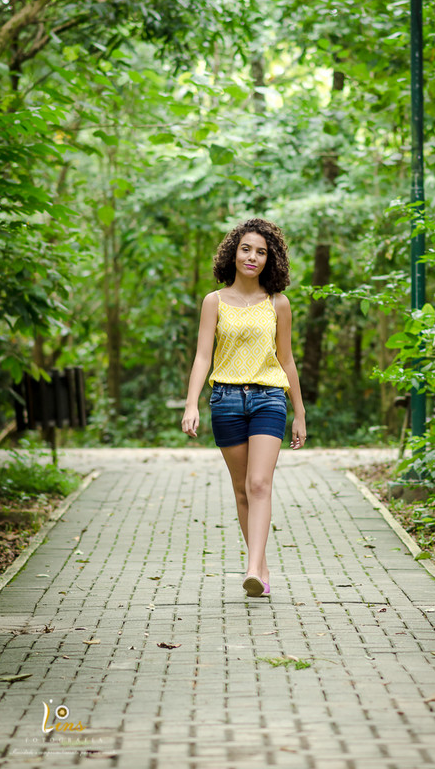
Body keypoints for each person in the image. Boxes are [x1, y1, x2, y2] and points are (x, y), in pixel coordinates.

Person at [181, 218, 307, 598]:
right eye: (246, 249)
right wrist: (191, 403)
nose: (253, 257)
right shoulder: (214, 302)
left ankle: (252, 569)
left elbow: (286, 360)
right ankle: (261, 568)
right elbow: (203, 356)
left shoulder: (278, 303)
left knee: (259, 484)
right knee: (241, 490)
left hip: (269, 398)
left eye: (261, 252)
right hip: (226, 400)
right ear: (233, 254)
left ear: (271, 259)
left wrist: (299, 412)